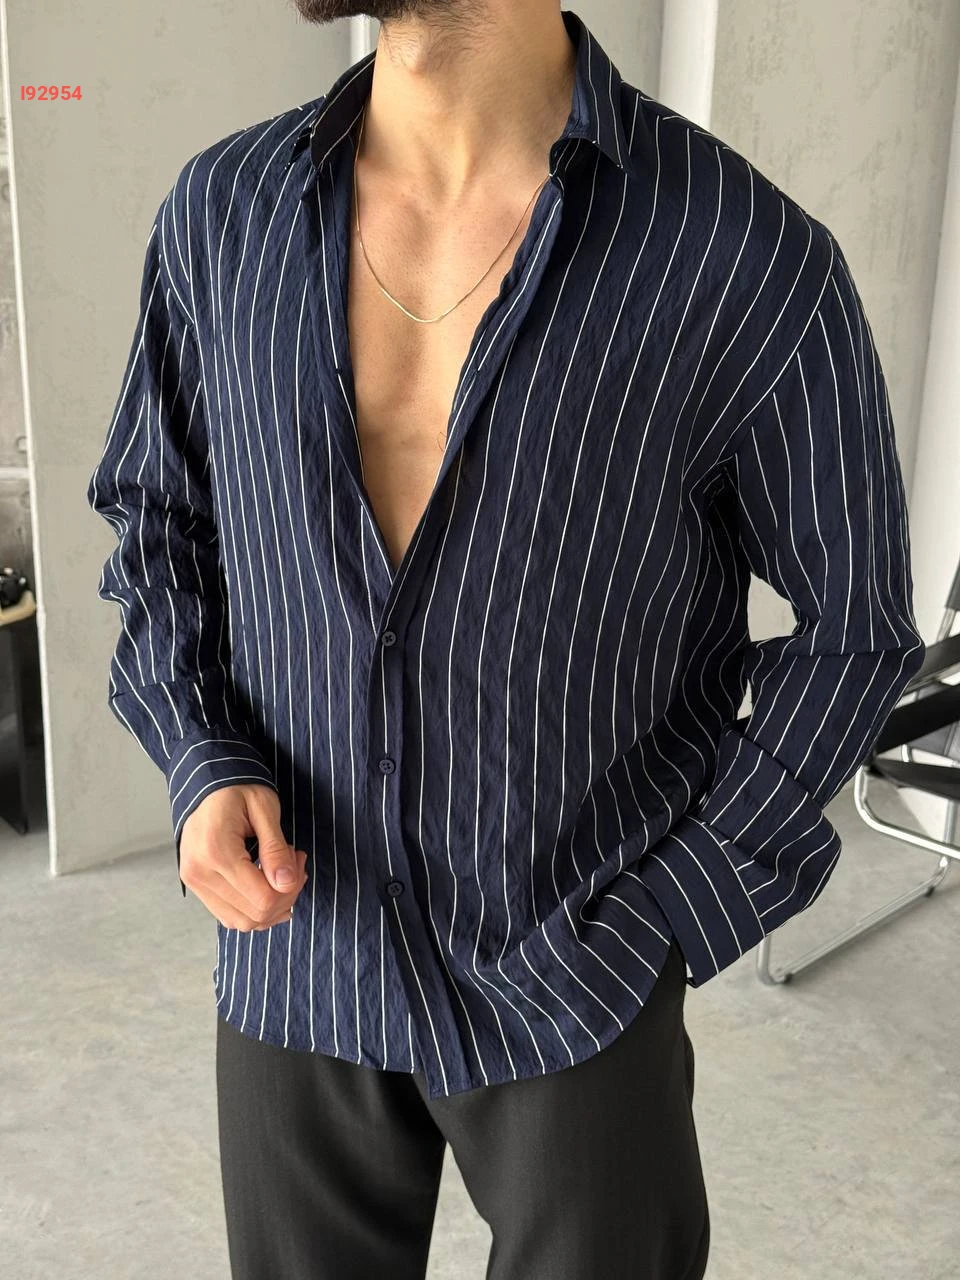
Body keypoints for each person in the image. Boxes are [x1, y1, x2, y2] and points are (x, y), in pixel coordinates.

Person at [86, 2, 925, 1277]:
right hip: (295, 955)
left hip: (577, 968)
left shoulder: (738, 255)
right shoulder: (223, 215)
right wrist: (202, 758)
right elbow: (158, 520)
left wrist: (676, 912)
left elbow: (855, 631)